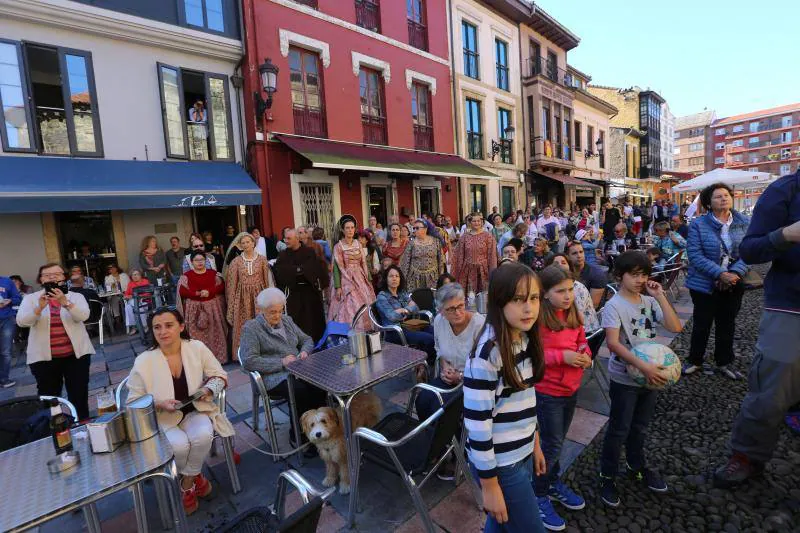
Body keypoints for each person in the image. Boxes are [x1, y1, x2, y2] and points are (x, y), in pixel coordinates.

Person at [713, 170, 800, 488]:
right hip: (791, 305)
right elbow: (749, 250)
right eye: (718, 196)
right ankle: (747, 454)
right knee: (769, 391)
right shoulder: (785, 191)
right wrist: (786, 235)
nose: (723, 200)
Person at [464, 261, 547, 532]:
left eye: (534, 298)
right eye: (518, 299)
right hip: (500, 465)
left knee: (500, 526)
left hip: (519, 453)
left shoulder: (521, 336)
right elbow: (477, 426)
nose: (529, 308)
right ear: (499, 301)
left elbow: (525, 399)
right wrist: (489, 486)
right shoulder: (488, 354)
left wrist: (534, 442)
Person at [126, 307, 232, 516]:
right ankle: (196, 477)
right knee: (180, 446)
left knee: (203, 436)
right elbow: (133, 400)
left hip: (195, 410)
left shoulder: (196, 347)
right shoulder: (144, 361)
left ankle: (186, 486)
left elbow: (220, 375)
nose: (163, 331)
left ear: (181, 326)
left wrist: (208, 388)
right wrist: (158, 403)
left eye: (169, 325)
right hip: (162, 418)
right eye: (157, 327)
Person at [598, 251, 682, 507]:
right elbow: (613, 344)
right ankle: (607, 476)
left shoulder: (649, 302)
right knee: (619, 428)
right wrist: (642, 367)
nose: (639, 280)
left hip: (649, 377)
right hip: (625, 378)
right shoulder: (613, 306)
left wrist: (660, 296)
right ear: (619, 275)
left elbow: (675, 327)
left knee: (640, 426)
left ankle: (637, 466)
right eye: (633, 274)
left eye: (643, 274)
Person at [534, 266, 591, 530]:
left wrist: (584, 352)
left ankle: (552, 481)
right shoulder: (537, 320)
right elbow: (533, 356)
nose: (568, 295)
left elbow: (582, 339)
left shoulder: (572, 312)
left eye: (570, 289)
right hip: (548, 392)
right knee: (551, 445)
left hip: (571, 387)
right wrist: (562, 357)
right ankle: (538, 493)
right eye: (561, 291)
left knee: (558, 441)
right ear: (545, 293)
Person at [240, 288, 327, 443]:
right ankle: (299, 435)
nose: (278, 316)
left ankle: (321, 429)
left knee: (320, 385)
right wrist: (281, 362)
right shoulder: (251, 328)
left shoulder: (287, 320)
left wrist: (305, 352)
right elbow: (249, 360)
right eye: (273, 312)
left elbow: (307, 340)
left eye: (280, 311)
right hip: (272, 376)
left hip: (298, 369)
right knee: (299, 391)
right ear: (261, 310)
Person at [684, 183, 751, 379]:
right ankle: (695, 360)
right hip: (703, 283)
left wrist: (734, 274)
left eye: (726, 195)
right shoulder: (698, 224)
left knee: (727, 323)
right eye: (718, 196)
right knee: (701, 324)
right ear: (708, 203)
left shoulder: (744, 222)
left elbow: (748, 253)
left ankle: (724, 361)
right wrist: (719, 274)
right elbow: (695, 255)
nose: (723, 198)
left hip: (733, 283)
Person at [17, 263, 95, 420]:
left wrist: (65, 302)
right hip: (44, 360)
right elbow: (21, 322)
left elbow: (83, 316)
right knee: (50, 399)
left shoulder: (76, 296)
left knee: (79, 393)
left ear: (64, 277)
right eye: (47, 275)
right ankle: (55, 430)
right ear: (40, 279)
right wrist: (39, 308)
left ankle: (82, 425)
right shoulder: (31, 299)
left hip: (76, 356)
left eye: (57, 274)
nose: (52, 277)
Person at [415, 282, 484, 420]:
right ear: (441, 310)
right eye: (451, 309)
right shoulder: (439, 321)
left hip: (474, 384)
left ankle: (450, 439)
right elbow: (439, 348)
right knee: (422, 400)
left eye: (460, 306)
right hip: (448, 378)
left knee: (440, 409)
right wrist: (444, 364)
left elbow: (485, 368)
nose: (458, 312)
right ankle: (434, 439)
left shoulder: (479, 325)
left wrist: (459, 376)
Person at [273, 229, 328, 342]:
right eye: (285, 238)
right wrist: (300, 270)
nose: (285, 241)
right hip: (294, 293)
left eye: (288, 238)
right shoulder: (283, 255)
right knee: (297, 322)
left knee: (313, 320)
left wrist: (296, 270)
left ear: (297, 239)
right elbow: (281, 272)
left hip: (310, 292)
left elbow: (314, 268)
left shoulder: (309, 252)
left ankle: (317, 344)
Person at [225, 232, 272, 359]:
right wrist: (232, 302)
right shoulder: (236, 262)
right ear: (240, 245)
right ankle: (244, 354)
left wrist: (269, 298)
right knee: (244, 325)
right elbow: (232, 283)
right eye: (243, 243)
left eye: (248, 242)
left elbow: (267, 280)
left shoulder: (262, 259)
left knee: (262, 323)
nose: (246, 245)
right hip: (242, 298)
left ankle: (265, 351)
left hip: (259, 295)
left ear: (253, 243)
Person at [375, 265, 435, 363]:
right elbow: (392, 317)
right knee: (429, 339)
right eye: (391, 276)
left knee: (436, 333)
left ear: (400, 279)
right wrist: (407, 310)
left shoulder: (402, 293)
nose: (394, 278)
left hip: (410, 324)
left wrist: (404, 310)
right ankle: (426, 367)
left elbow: (416, 308)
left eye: (397, 276)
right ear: (386, 279)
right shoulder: (382, 297)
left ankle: (425, 363)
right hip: (395, 331)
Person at [176, 251, 228, 364]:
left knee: (215, 334)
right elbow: (182, 291)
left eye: (202, 260)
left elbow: (221, 286)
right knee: (196, 337)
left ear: (206, 261)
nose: (199, 262)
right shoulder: (187, 276)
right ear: (192, 262)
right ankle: (199, 362)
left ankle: (218, 359)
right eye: (196, 260)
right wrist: (197, 294)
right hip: (194, 311)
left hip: (212, 309)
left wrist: (209, 291)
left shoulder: (213, 273)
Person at [328, 215, 376, 328]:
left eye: (352, 227)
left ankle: (366, 330)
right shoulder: (338, 246)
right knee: (350, 305)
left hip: (360, 277)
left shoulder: (358, 244)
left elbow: (363, 263)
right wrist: (338, 287)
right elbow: (336, 267)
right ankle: (350, 331)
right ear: (343, 230)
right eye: (347, 228)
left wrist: (368, 280)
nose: (350, 230)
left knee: (365, 303)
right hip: (346, 279)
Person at [547, 254, 600, 334]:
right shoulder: (549, 286)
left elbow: (575, 319)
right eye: (556, 264)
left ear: (569, 267)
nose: (560, 266)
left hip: (586, 333)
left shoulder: (577, 288)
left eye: (563, 262)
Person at [452, 213, 497, 294]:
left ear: (482, 222)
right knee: (470, 298)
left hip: (483, 271)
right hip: (467, 271)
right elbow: (458, 255)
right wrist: (458, 272)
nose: (477, 223)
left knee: (483, 297)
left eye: (479, 221)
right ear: (470, 223)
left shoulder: (488, 236)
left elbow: (492, 255)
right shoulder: (464, 237)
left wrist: (492, 272)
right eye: (474, 221)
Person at [400, 218, 444, 292]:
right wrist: (403, 280)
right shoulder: (411, 243)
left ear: (425, 229)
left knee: (431, 299)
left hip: (432, 277)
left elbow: (441, 260)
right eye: (413, 228)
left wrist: (441, 277)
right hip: (415, 278)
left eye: (417, 228)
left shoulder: (436, 242)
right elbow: (405, 262)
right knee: (416, 300)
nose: (414, 230)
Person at [565, 241, 607, 309]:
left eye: (581, 252)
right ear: (567, 256)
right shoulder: (566, 272)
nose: (579, 256)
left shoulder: (597, 274)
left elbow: (593, 306)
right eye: (574, 253)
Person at [0, 275, 22, 388]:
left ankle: (4, 379)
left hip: (6, 320)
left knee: (5, 352)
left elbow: (18, 298)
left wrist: (10, 301)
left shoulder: (6, 281)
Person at [124, 268, 152, 336]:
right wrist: (127, 296)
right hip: (134, 302)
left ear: (140, 275)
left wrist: (133, 296)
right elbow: (126, 294)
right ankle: (134, 327)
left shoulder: (145, 281)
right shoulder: (130, 284)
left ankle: (144, 326)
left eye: (136, 274)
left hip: (144, 300)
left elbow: (148, 293)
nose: (135, 276)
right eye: (133, 275)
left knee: (137, 306)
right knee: (128, 307)